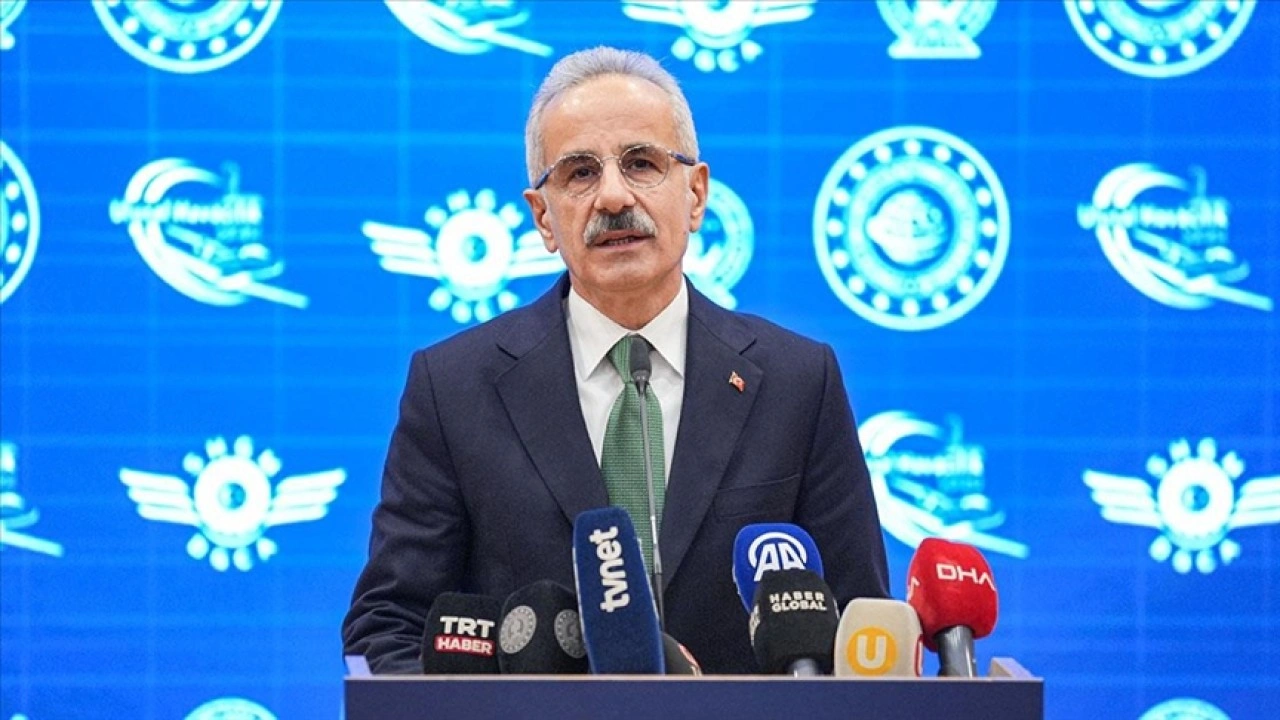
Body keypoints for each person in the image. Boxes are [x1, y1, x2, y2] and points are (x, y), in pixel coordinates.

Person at [342, 46, 889, 674]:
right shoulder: (454, 389)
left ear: (696, 194)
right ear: (543, 217)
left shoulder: (798, 382)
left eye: (642, 163)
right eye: (579, 173)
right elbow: (390, 627)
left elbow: (862, 627)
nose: (611, 196)